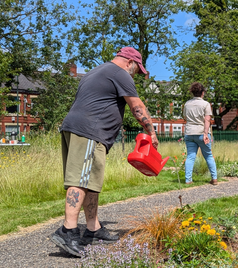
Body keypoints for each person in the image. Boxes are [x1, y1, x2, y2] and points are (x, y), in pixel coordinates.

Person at [49, 47, 159, 257]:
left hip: (78, 129)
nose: (135, 75)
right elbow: (137, 107)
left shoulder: (95, 71)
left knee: (90, 182)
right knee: (80, 180)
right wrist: (151, 132)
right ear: (130, 62)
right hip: (90, 131)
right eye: (137, 71)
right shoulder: (120, 73)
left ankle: (93, 229)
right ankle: (67, 231)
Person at [183, 82, 218, 185]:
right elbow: (207, 120)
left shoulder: (187, 104)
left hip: (189, 132)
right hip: (201, 133)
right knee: (208, 156)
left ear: (193, 93)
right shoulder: (206, 104)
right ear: (202, 92)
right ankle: (214, 179)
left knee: (190, 156)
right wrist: (206, 134)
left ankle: (188, 180)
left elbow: (185, 117)